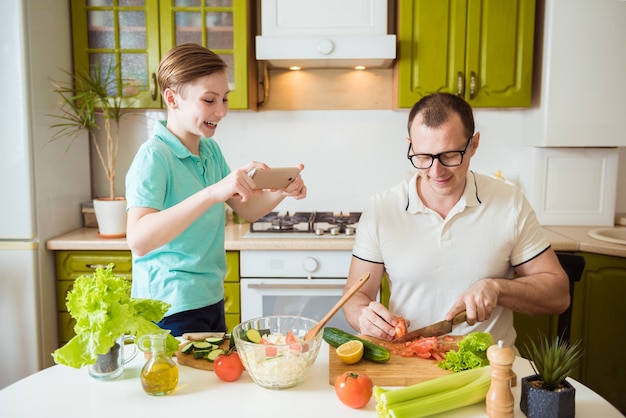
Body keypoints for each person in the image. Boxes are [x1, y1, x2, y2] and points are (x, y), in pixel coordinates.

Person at [342, 92, 569, 347]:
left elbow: (558, 295)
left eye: (449, 155)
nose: (435, 171)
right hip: (406, 363)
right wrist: (363, 315)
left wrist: (497, 288)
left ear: (473, 145)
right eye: (424, 157)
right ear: (410, 146)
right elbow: (355, 296)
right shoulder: (382, 209)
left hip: (488, 369)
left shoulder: (509, 203)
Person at [125, 43, 307, 336]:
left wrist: (280, 190)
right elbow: (138, 239)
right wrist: (213, 192)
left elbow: (246, 209)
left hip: (209, 298)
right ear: (172, 98)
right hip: (168, 306)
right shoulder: (154, 157)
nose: (221, 111)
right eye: (209, 100)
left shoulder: (209, 150)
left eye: (224, 99)